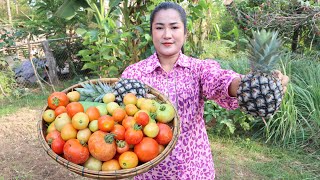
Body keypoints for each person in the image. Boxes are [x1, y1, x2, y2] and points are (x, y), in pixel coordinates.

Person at [121, 2, 289, 179]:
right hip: (150, 171)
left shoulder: (198, 69)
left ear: (185, 33)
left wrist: (250, 86)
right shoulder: (134, 73)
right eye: (159, 27)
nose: (167, 35)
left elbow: (219, 81)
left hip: (193, 168)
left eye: (174, 27)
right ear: (152, 32)